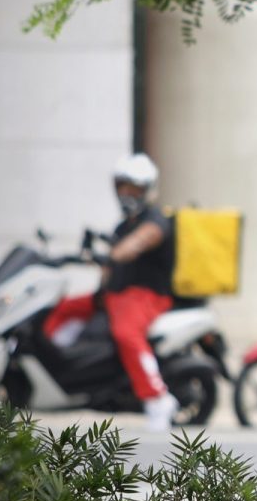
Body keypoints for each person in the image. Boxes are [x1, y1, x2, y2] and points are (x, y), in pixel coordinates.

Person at [44, 153, 180, 430]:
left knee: (126, 333)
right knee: (62, 308)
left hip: (146, 297)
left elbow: (136, 244)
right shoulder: (122, 225)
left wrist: (112, 255)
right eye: (123, 186)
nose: (128, 193)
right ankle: (61, 368)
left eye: (134, 188)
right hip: (113, 296)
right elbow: (109, 266)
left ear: (147, 189)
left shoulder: (156, 220)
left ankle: (158, 398)